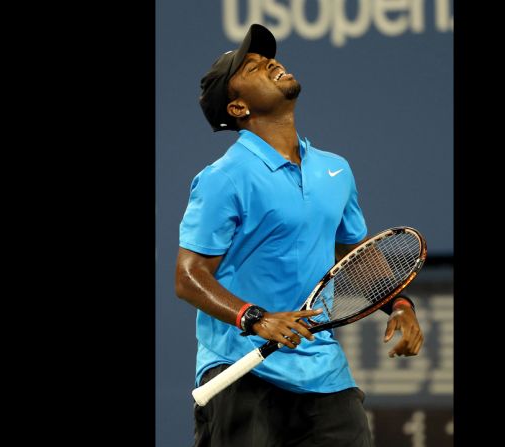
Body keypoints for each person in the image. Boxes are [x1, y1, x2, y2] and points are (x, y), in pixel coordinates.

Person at [175, 23, 424, 447]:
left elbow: (357, 254)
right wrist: (257, 318)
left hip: (324, 375)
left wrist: (398, 303)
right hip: (241, 369)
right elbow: (189, 276)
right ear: (237, 108)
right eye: (251, 67)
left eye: (267, 57)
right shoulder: (224, 179)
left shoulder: (335, 169)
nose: (271, 62)